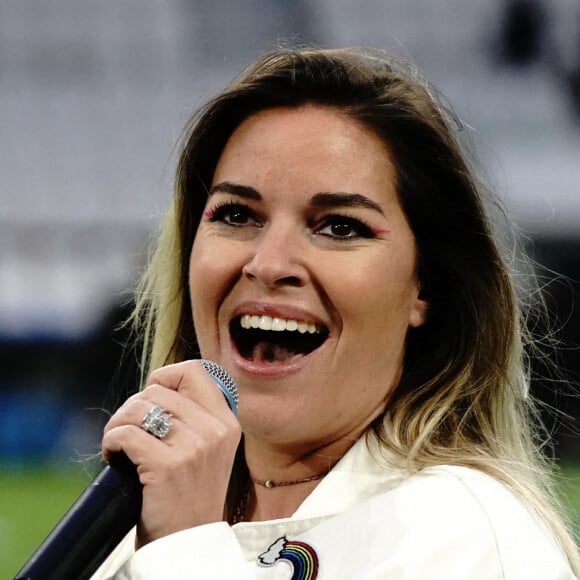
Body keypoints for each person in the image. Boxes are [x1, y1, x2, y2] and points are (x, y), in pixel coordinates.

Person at [93, 47, 580, 578]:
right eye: (236, 214)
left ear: (425, 288)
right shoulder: (137, 516)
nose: (269, 263)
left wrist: (186, 550)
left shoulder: (472, 539)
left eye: (340, 226)